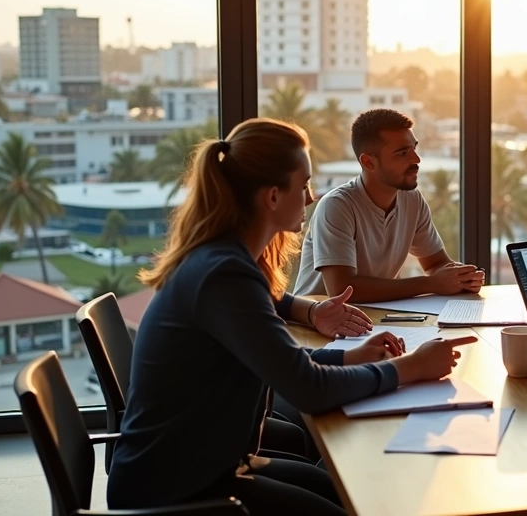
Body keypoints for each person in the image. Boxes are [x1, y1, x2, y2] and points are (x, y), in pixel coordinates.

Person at [107, 118, 476, 516]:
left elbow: (284, 358)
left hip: (211, 463)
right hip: (175, 489)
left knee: (338, 488)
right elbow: (307, 389)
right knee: (345, 504)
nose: (311, 196)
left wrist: (352, 356)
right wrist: (409, 368)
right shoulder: (224, 275)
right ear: (272, 196)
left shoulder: (228, 260)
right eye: (303, 185)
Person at [293, 109, 484, 303]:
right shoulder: (337, 206)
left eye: (414, 149)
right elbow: (342, 290)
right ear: (368, 162)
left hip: (376, 316)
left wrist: (462, 278)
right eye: (402, 153)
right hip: (315, 319)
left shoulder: (412, 200)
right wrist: (431, 284)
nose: (416, 159)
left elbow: (436, 264)